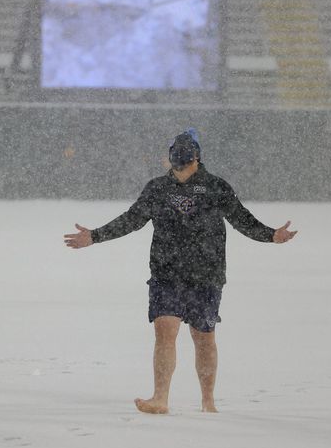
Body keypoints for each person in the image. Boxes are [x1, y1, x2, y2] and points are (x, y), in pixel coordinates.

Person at [64, 128, 297, 414]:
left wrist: (272, 235)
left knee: (204, 337)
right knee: (165, 332)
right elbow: (132, 219)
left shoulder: (216, 187)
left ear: (197, 156)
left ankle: (208, 401)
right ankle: (160, 398)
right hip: (166, 273)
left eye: (185, 151)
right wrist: (95, 236)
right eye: (175, 151)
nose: (179, 156)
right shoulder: (157, 189)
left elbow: (242, 219)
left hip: (206, 274)